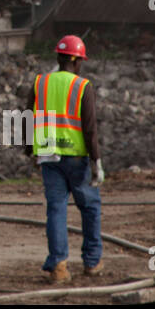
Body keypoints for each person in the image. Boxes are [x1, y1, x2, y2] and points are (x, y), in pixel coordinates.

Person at [24, 34, 103, 282]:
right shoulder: (82, 86)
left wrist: (29, 149)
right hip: (76, 158)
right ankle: (91, 262)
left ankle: (58, 266)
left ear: (58, 58)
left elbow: (27, 117)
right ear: (77, 61)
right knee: (89, 208)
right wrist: (96, 161)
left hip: (48, 155)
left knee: (56, 210)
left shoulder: (40, 83)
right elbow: (89, 129)